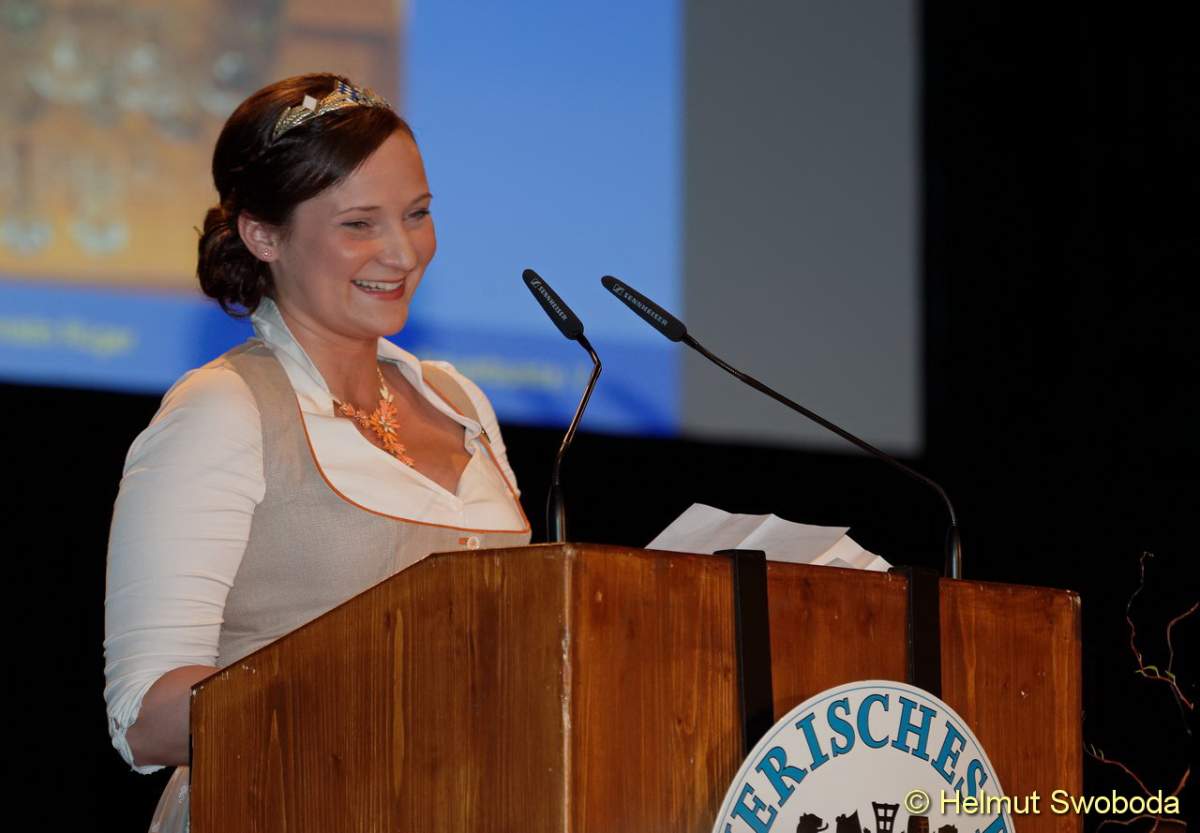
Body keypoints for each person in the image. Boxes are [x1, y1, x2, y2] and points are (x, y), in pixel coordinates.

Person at [103, 73, 530, 830]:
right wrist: (371, 688)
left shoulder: (461, 402)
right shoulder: (223, 410)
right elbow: (146, 716)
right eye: (359, 224)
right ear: (264, 236)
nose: (403, 252)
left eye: (418, 213)